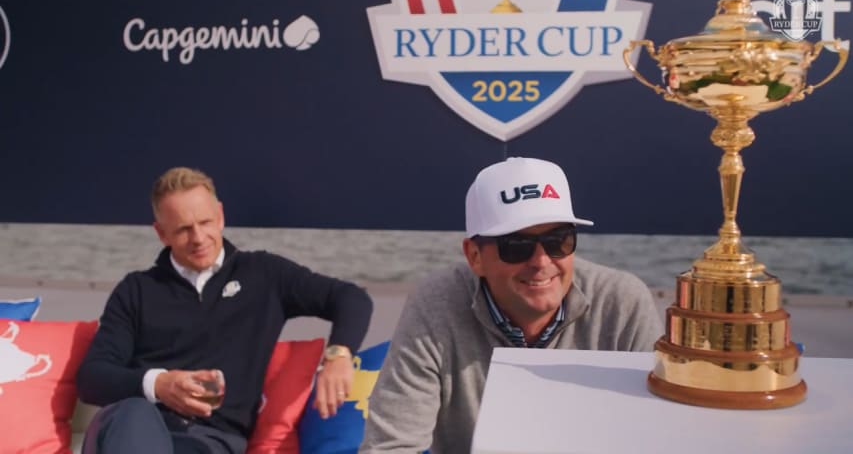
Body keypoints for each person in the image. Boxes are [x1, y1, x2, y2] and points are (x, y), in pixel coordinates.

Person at [360, 157, 663, 453]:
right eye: (516, 246)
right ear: (474, 256)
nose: (542, 262)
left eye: (559, 240)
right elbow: (391, 446)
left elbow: (656, 435)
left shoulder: (623, 302)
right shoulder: (435, 303)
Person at [77, 167, 373, 454]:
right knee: (135, 411)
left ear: (220, 216)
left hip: (207, 440)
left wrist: (339, 356)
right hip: (130, 429)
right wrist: (159, 384)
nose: (198, 238)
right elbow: (92, 378)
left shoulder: (263, 274)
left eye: (205, 222)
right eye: (183, 229)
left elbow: (351, 298)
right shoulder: (136, 290)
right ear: (161, 233)